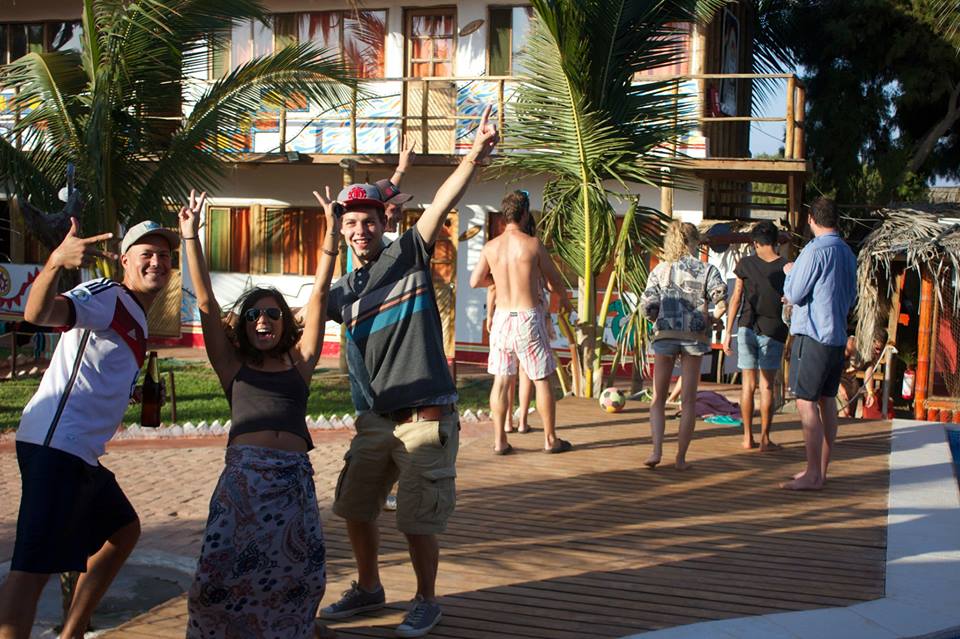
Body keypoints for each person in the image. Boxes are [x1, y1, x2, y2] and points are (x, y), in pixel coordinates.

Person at [318, 105, 499, 638]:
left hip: (425, 416)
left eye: (368, 221)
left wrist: (474, 155)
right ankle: (369, 587)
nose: (360, 230)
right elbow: (300, 322)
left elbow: (444, 200)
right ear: (341, 230)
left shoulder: (408, 254)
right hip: (376, 419)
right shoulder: (341, 292)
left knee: (417, 519)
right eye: (351, 223)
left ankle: (425, 599)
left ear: (384, 222)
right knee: (355, 506)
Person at [0, 218, 176, 639]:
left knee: (122, 531)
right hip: (56, 445)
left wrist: (127, 393)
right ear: (125, 261)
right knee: (31, 569)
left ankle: (73, 632)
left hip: (79, 452)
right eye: (146, 254)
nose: (156, 262)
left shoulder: (136, 316)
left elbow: (96, 368)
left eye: (164, 255)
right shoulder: (108, 294)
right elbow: (38, 313)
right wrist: (55, 262)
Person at [177, 190, 340, 638]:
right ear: (244, 325)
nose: (263, 321)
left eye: (271, 313)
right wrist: (191, 236)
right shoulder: (232, 366)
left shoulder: (299, 362)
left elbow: (319, 295)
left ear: (285, 321)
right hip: (244, 484)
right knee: (218, 576)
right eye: (253, 315)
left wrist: (331, 234)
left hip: (292, 482)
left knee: (297, 575)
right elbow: (207, 303)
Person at [470, 190, 571, 455]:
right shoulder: (533, 244)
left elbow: (475, 281)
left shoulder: (491, 247)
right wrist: (565, 300)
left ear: (505, 215)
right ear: (524, 213)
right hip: (527, 316)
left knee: (501, 380)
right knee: (542, 378)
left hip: (502, 317)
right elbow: (554, 281)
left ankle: (500, 441)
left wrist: (497, 279)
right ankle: (550, 439)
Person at [780, 197, 857, 490]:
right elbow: (851, 295)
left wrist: (790, 274)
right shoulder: (847, 252)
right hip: (837, 336)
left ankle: (812, 474)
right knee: (827, 401)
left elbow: (795, 294)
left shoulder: (814, 250)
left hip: (814, 335)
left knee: (805, 401)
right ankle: (819, 471)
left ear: (811, 219)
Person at [640, 221, 727, 470]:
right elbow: (722, 302)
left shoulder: (660, 270)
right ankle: (680, 458)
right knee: (688, 401)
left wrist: (659, 319)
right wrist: (711, 319)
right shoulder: (707, 269)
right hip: (694, 337)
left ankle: (656, 451)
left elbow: (648, 308)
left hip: (665, 335)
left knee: (658, 398)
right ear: (695, 242)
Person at [722, 221, 788, 451]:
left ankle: (747, 438)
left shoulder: (746, 264)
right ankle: (765, 440)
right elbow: (791, 303)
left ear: (756, 243)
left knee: (747, 385)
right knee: (767, 386)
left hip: (746, 327)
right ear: (776, 241)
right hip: (774, 330)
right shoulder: (786, 267)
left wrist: (727, 331)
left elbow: (736, 298)